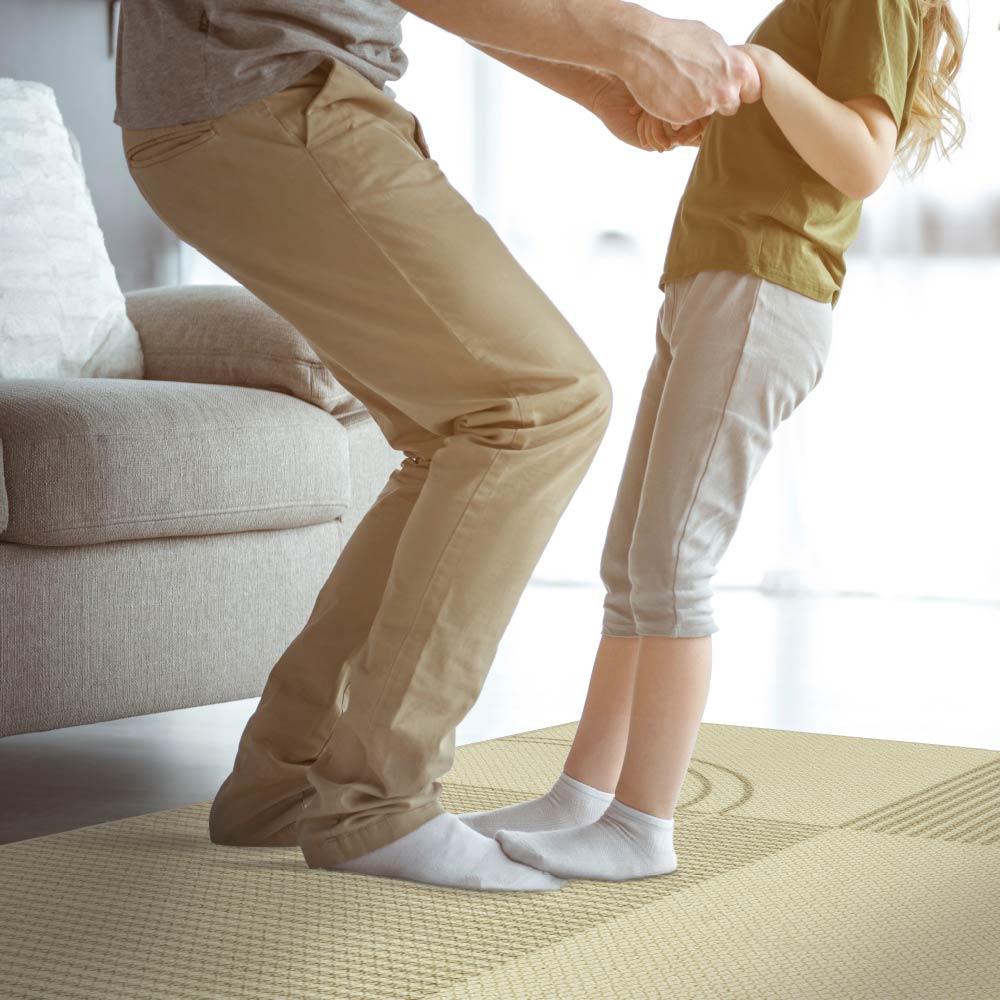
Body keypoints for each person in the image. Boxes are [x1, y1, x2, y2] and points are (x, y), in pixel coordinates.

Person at [114, 0, 760, 893]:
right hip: (267, 93)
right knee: (540, 403)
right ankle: (375, 803)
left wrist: (602, 82)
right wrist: (634, 40)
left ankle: (288, 780)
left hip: (251, 100)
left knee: (457, 434)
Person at [461, 0, 966, 882]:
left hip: (760, 289)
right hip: (713, 283)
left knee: (672, 565)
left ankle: (641, 827)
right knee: (634, 564)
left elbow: (862, 159)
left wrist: (762, 71)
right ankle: (582, 796)